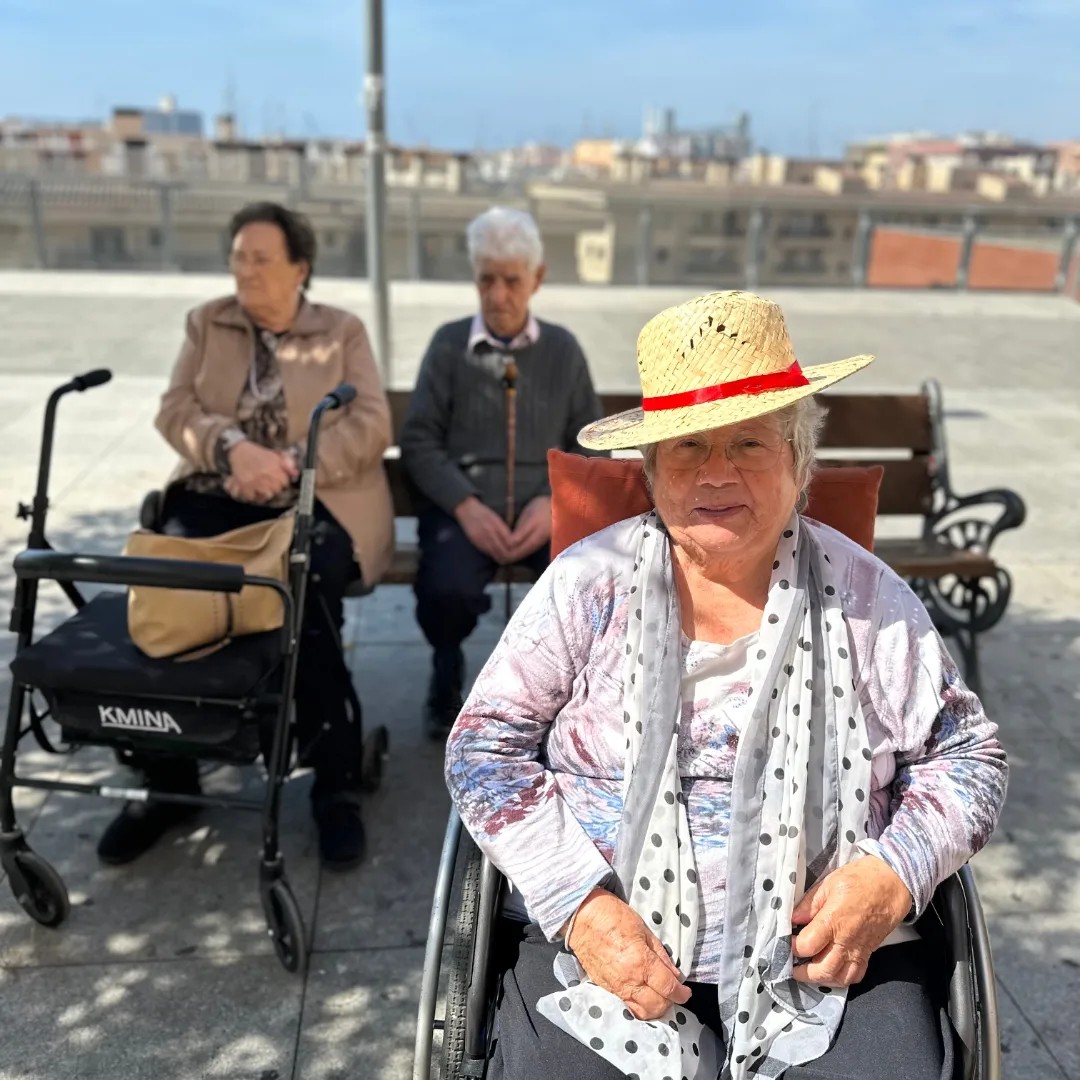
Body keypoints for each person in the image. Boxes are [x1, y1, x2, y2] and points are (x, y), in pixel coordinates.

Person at [445, 291, 1008, 1080]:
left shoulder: (869, 600)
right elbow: (482, 751)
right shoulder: (587, 584)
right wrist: (580, 905)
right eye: (688, 447)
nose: (716, 472)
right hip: (601, 940)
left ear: (799, 462)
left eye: (749, 442)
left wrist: (890, 878)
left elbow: (970, 760)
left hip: (830, 950)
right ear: (651, 470)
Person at [97, 201, 393, 871]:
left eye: (262, 259)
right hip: (216, 490)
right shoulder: (208, 322)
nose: (246, 271)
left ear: (300, 268)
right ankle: (169, 779)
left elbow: (372, 423)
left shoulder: (340, 330)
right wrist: (231, 448)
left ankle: (335, 783)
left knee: (305, 592)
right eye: (238, 258)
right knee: (173, 586)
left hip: (317, 497)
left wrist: (289, 463)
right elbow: (176, 409)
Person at [399, 206, 602, 738]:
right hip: (464, 510)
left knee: (581, 582)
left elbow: (590, 441)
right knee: (444, 588)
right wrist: (464, 506)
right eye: (486, 280)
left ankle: (565, 695)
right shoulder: (448, 345)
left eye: (512, 280)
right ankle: (446, 669)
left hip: (544, 509)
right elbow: (418, 439)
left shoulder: (562, 349)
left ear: (537, 278)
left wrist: (553, 501)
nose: (497, 295)